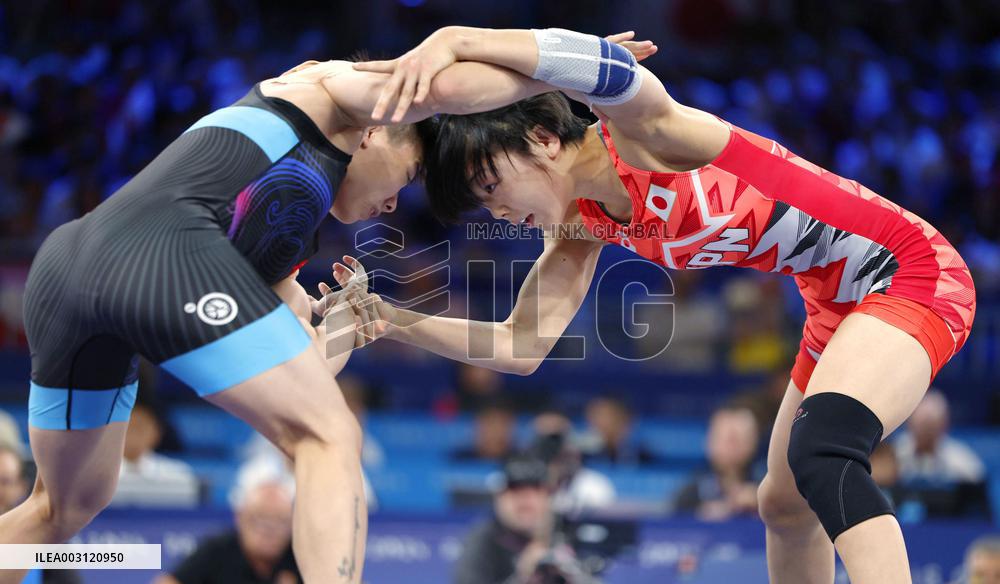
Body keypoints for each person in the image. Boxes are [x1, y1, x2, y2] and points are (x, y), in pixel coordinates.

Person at [339, 24, 976, 583]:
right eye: (484, 203)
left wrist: (455, 40)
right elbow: (519, 346)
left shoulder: (644, 135)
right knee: (782, 504)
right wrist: (392, 320)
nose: (498, 210)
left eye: (492, 183)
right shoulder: (580, 225)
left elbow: (612, 71)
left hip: (908, 267)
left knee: (824, 452)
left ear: (545, 138)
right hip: (832, 303)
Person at [0, 43, 619, 584]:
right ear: (382, 129)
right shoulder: (327, 97)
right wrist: (572, 66)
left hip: (69, 272)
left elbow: (305, 375)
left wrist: (352, 323)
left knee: (64, 508)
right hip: (156, 247)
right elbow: (445, 86)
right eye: (404, 178)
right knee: (332, 435)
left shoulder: (284, 240)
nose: (388, 204)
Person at [155, 478, 300, 584]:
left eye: (280, 521)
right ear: (240, 517)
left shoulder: (300, 557)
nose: (269, 530)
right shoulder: (218, 550)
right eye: (260, 519)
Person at [453, 453, 554, 584]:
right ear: (499, 498)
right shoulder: (483, 543)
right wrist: (522, 577)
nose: (526, 500)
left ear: (548, 497)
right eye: (515, 490)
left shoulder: (566, 536)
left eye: (534, 490)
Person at [673, 404, 762, 521]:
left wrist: (761, 505)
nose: (732, 447)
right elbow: (674, 530)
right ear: (709, 442)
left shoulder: (765, 488)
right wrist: (701, 515)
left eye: (738, 439)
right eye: (726, 439)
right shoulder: (691, 493)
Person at [111, 402, 199, 508]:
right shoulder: (96, 473)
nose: (133, 434)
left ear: (156, 433)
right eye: (128, 427)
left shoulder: (179, 473)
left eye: (139, 428)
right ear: (111, 431)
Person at [893, 389, 985, 485]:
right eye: (922, 425)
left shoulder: (958, 459)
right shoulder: (894, 452)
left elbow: (978, 480)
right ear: (910, 424)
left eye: (931, 426)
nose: (926, 432)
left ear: (944, 425)